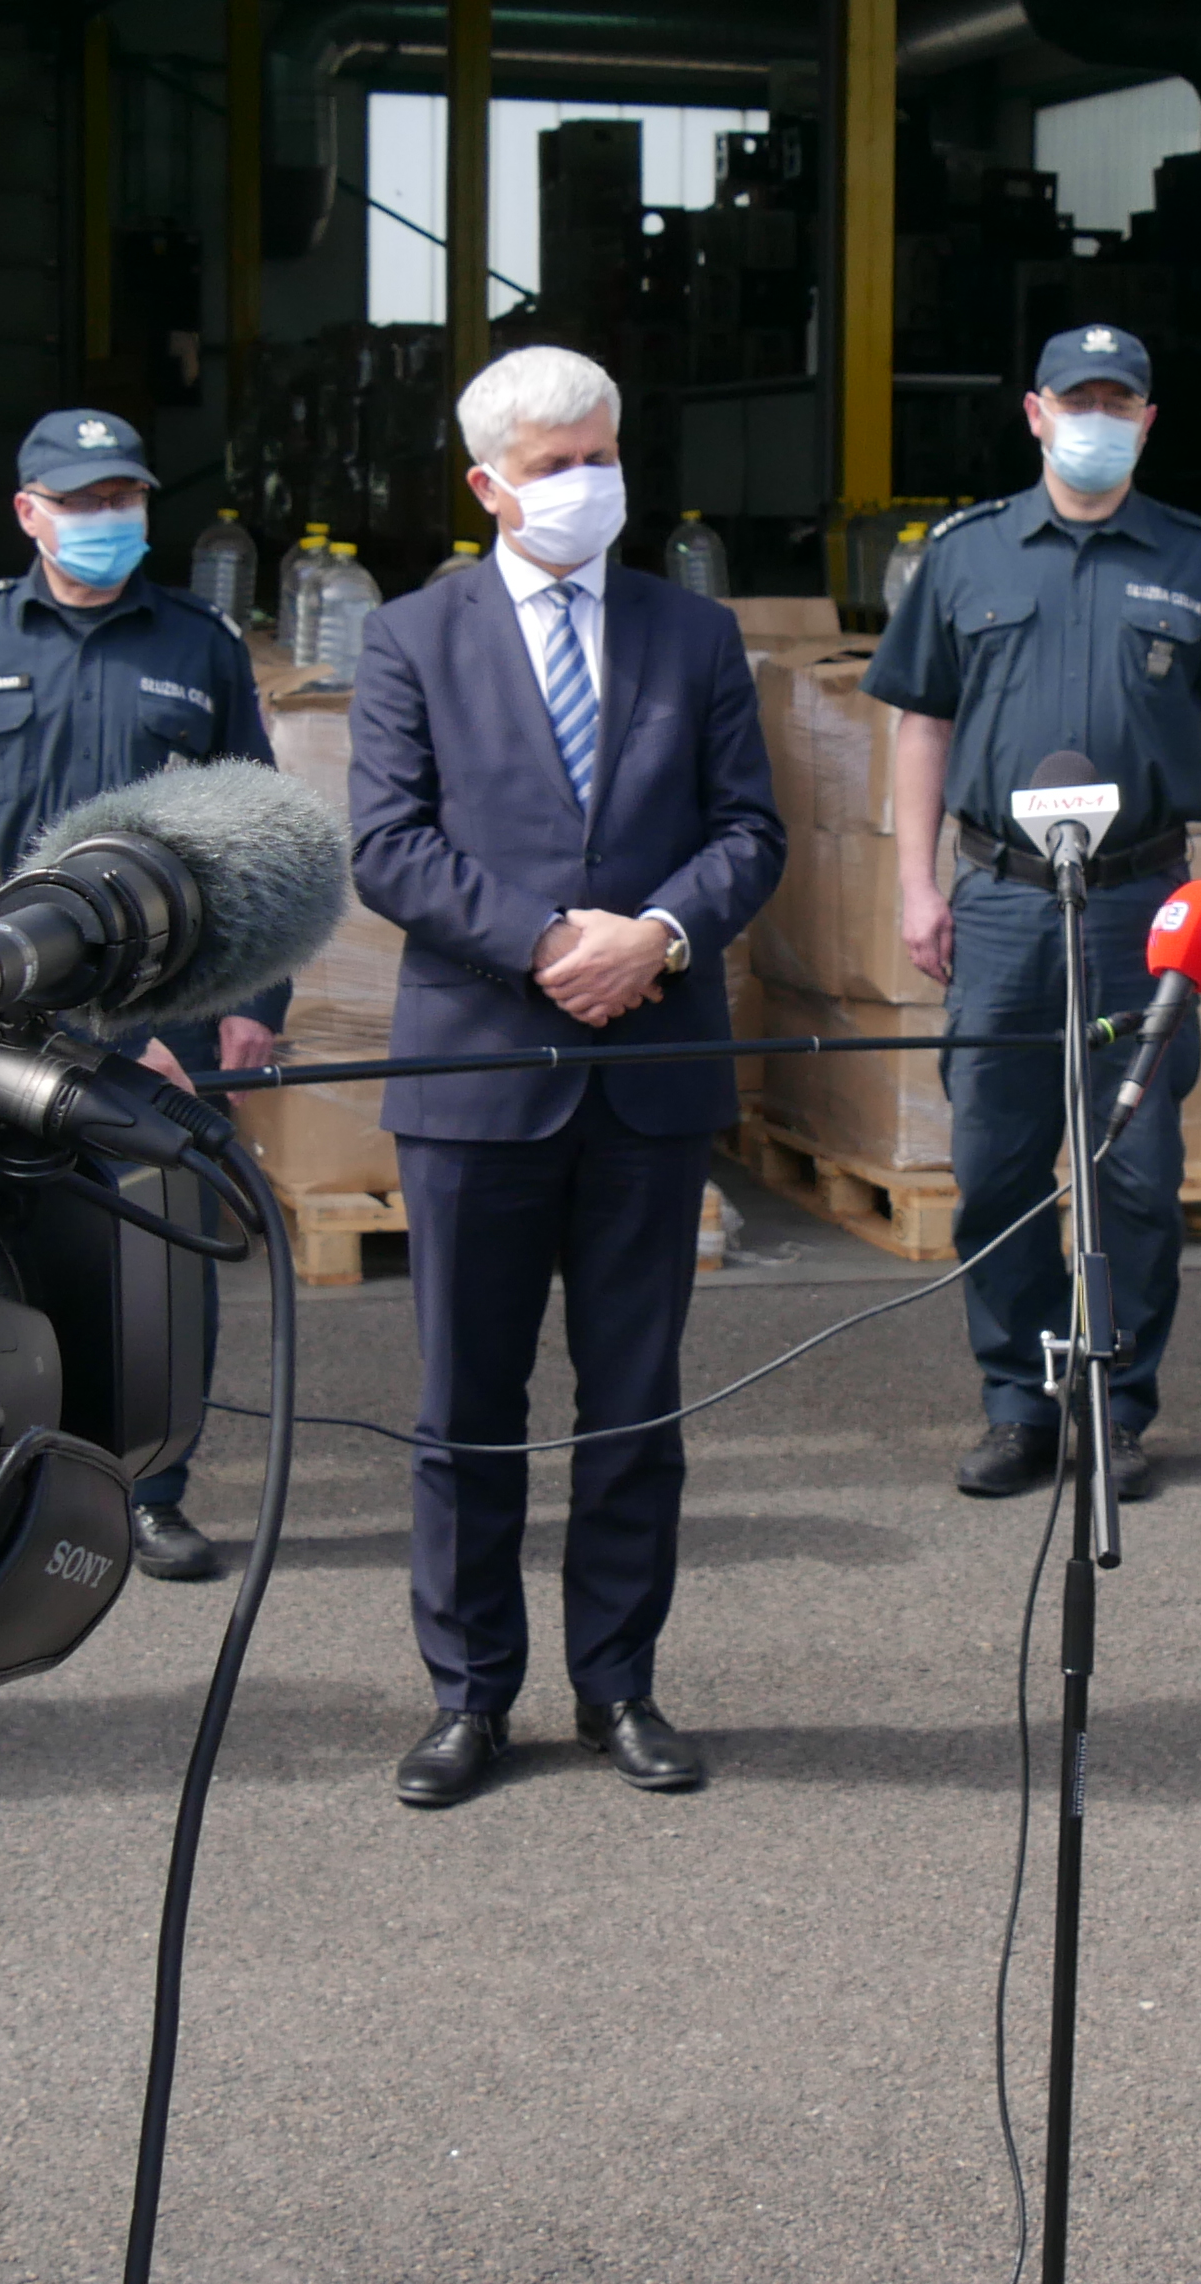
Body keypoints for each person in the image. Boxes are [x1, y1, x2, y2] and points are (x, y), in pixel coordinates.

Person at [346, 346, 782, 1808]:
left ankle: (619, 1685)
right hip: (476, 1075)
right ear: (488, 485)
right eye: (555, 466)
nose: (589, 484)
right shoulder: (412, 638)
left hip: (650, 1074)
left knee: (634, 1404)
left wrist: (655, 935)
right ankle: (469, 1696)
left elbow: (749, 832)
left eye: (603, 456)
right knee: (465, 1407)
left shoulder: (692, 633)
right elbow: (389, 845)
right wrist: (545, 944)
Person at [863, 324, 1201, 1502]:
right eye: (1075, 399)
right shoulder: (964, 556)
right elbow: (921, 724)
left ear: (1146, 422)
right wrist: (915, 885)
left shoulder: (1200, 561)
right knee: (993, 1164)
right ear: (1034, 413)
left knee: (1136, 1173)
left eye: (1117, 402)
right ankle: (1017, 1399)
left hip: (1141, 902)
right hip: (1001, 902)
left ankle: (1114, 1402)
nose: (1094, 419)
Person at [0, 407, 289, 1579]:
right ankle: (4, 1484)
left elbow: (262, 830)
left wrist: (257, 1001)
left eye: (124, 497)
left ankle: (152, 1490)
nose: (109, 517)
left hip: (165, 999)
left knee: (162, 1250)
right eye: (83, 500)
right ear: (29, 512)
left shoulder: (199, 644)